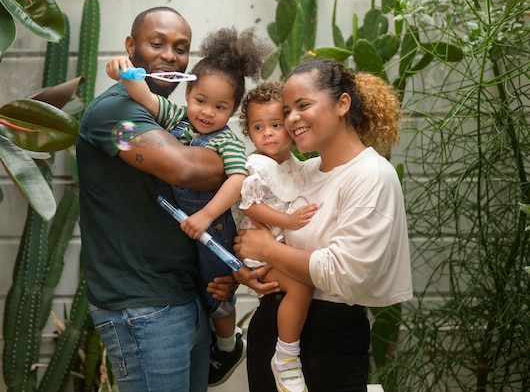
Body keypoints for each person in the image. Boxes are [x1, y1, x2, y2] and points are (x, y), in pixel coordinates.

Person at [77, 7, 237, 392]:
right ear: (131, 47)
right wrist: (238, 165)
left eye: (181, 49)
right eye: (157, 43)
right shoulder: (113, 116)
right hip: (143, 310)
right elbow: (185, 170)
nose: (170, 55)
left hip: (188, 298)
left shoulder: (177, 117)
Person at [233, 58, 413, 392]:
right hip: (269, 325)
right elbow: (253, 228)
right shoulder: (301, 172)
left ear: (343, 103)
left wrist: (268, 250)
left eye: (303, 105)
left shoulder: (371, 176)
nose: (291, 119)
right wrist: (244, 273)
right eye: (286, 110)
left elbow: (346, 274)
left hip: (328, 339)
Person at [108, 26, 269, 387]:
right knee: (198, 284)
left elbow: (238, 179)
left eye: (220, 107)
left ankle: (226, 346)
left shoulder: (226, 141)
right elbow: (146, 99)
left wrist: (207, 215)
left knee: (216, 288)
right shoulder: (177, 117)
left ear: (233, 110)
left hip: (214, 226)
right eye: (200, 101)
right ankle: (215, 336)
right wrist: (126, 72)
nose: (207, 113)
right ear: (188, 92)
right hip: (187, 222)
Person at [236, 81, 318, 392]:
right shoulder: (257, 165)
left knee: (301, 283)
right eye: (258, 127)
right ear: (249, 132)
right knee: (300, 286)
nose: (267, 133)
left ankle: (287, 352)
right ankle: (286, 356)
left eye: (275, 125)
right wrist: (287, 220)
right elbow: (251, 205)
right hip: (261, 246)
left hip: (278, 246)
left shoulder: (296, 167)